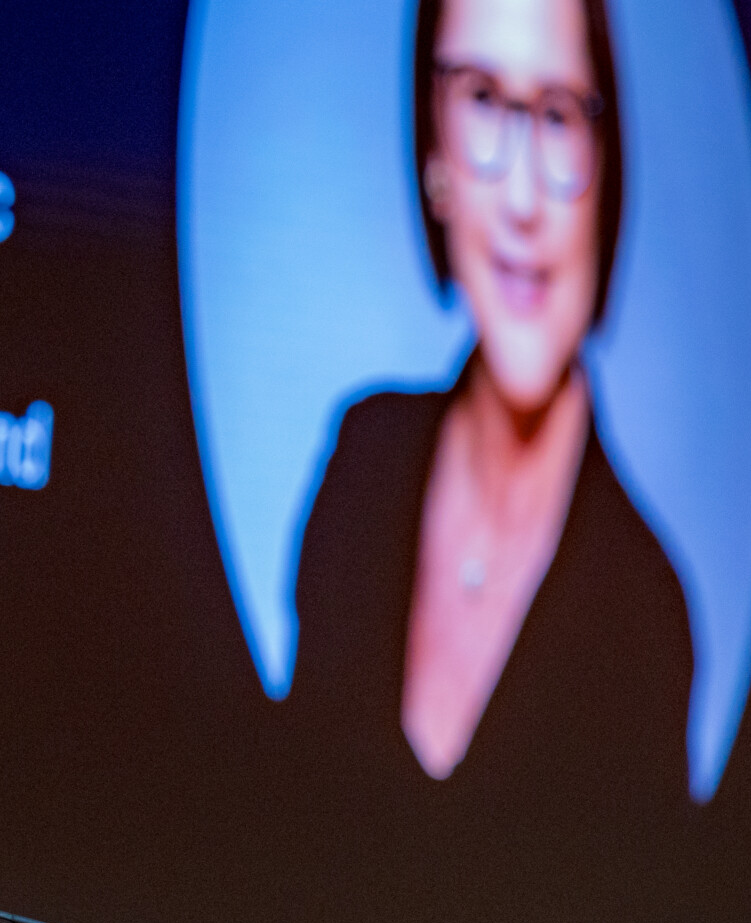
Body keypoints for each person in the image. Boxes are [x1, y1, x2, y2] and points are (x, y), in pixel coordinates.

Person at [290, 0, 692, 804]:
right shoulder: (361, 463)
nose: (521, 198)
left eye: (557, 116)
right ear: (432, 151)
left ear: (609, 168)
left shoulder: (646, 620)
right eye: (480, 100)